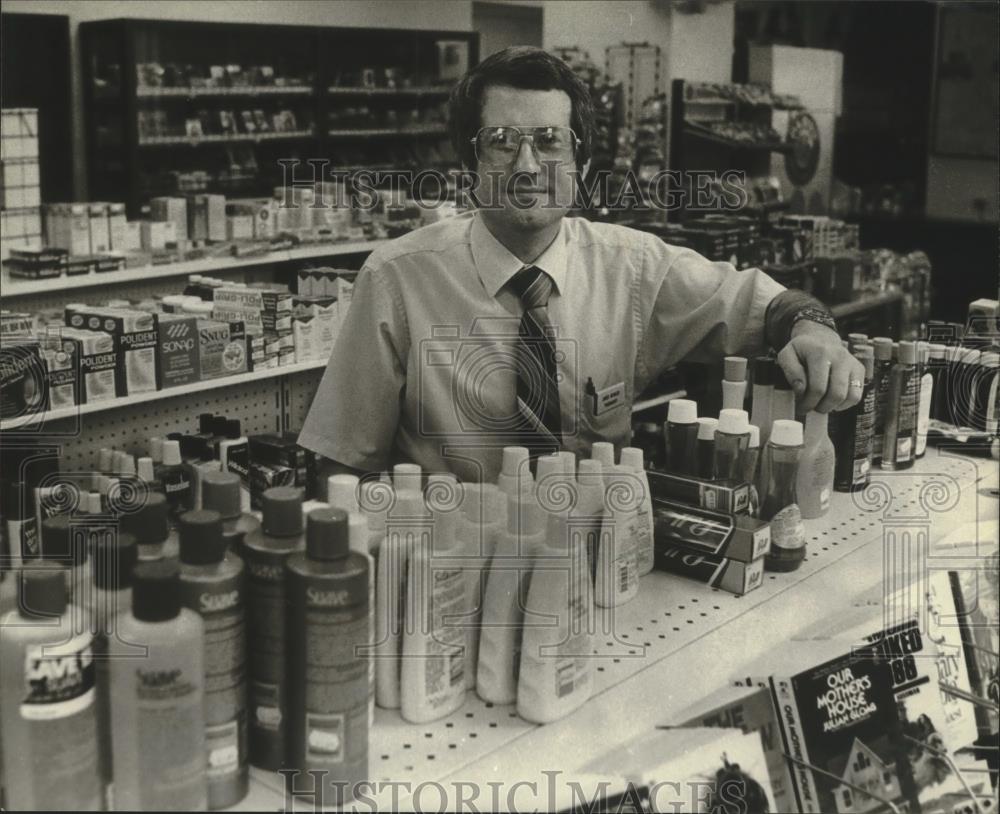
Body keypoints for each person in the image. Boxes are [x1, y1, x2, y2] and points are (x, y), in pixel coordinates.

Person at [299, 46, 864, 484]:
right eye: (500, 140)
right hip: (448, 568)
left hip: (594, 564)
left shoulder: (633, 270)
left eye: (549, 141)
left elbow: (763, 304)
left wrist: (813, 326)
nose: (527, 164)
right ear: (468, 160)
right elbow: (343, 467)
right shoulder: (396, 279)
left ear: (580, 160)